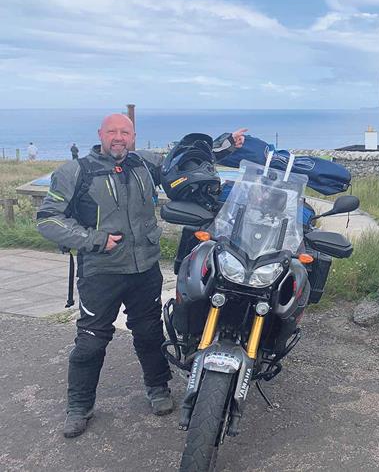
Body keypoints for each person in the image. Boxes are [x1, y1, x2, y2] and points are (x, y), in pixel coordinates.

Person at [36, 113, 247, 438]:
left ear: (133, 137)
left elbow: (186, 161)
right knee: (91, 342)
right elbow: (48, 219)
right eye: (112, 132)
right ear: (100, 135)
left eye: (125, 132)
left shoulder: (144, 164)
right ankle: (79, 406)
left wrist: (226, 145)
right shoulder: (75, 172)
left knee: (149, 333)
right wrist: (95, 240)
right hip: (100, 273)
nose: (118, 137)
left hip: (144, 270)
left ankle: (158, 389)